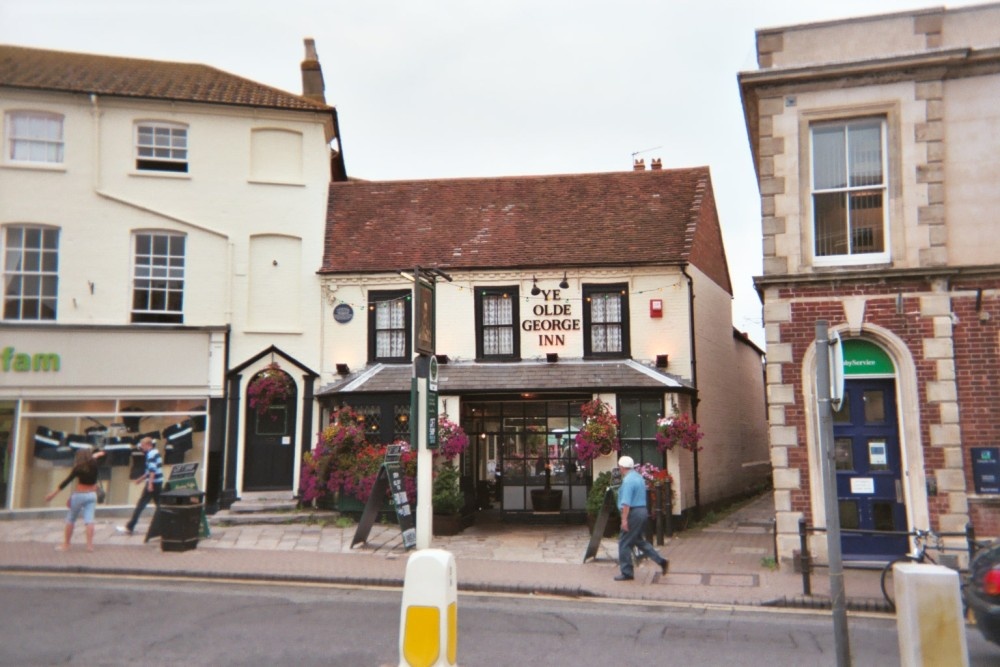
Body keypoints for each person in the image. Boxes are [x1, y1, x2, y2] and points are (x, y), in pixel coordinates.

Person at [614, 455, 669, 581]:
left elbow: (626, 503)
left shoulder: (628, 481)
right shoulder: (638, 477)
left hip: (633, 513)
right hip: (643, 511)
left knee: (624, 542)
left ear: (622, 467)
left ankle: (627, 572)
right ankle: (661, 561)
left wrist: (624, 520)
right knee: (639, 541)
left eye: (619, 467)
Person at [44, 447, 106, 552]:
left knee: (71, 519)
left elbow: (66, 482)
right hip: (91, 495)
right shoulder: (95, 465)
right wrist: (97, 455)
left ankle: (66, 544)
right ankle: (90, 546)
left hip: (79, 495)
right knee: (89, 521)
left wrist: (53, 495)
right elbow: (104, 454)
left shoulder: (78, 468)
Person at [116, 436, 163, 536]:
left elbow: (152, 470)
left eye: (143, 446)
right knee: (160, 506)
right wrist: (140, 479)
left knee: (140, 505)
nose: (142, 448)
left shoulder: (150, 454)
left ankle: (130, 527)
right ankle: (166, 526)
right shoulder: (156, 452)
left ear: (148, 445)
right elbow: (150, 470)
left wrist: (150, 484)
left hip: (153, 483)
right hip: (158, 482)